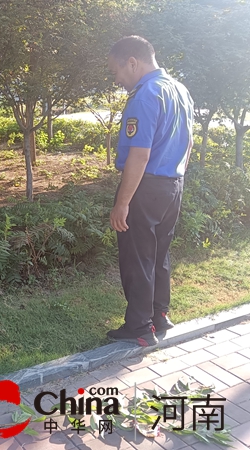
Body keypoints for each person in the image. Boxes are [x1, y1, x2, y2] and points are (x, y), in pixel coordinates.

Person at [106, 36, 194, 346]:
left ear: (133, 62)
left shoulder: (145, 95)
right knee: (158, 252)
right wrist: (174, 178)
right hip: (173, 184)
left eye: (117, 70)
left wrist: (123, 202)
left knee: (137, 256)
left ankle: (140, 327)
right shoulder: (180, 91)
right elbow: (189, 144)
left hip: (146, 186)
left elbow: (139, 155)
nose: (117, 79)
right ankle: (159, 314)